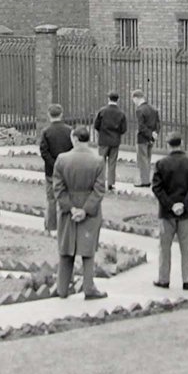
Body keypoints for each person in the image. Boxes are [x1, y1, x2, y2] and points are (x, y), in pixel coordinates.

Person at [51, 126, 108, 300]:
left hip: (68, 209)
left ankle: (62, 288)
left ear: (74, 138)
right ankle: (89, 288)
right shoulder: (98, 160)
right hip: (89, 211)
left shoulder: (62, 159)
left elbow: (58, 188)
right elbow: (99, 190)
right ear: (88, 139)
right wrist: (85, 210)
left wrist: (70, 208)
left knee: (66, 248)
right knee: (88, 249)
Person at [151, 134, 188, 290]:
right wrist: (184, 205)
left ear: (168, 145)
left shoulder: (161, 164)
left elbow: (157, 188)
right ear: (182, 143)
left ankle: (163, 279)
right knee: (186, 248)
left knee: (164, 247)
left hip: (166, 213)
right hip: (186, 213)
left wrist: (170, 205)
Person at [38, 104, 74, 232]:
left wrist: (53, 163)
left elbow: (44, 151)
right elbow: (73, 149)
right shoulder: (69, 131)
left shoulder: (46, 132)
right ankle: (66, 225)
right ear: (61, 114)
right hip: (66, 170)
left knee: (51, 198)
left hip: (51, 170)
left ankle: (51, 225)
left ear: (49, 115)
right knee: (66, 197)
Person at [92, 92, 127, 191]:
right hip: (115, 141)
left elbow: (96, 125)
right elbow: (124, 129)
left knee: (101, 162)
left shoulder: (102, 111)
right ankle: (111, 183)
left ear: (108, 99)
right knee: (112, 163)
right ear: (118, 100)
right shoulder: (121, 113)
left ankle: (100, 181)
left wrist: (102, 132)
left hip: (103, 140)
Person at [131, 89, 161, 188]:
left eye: (133, 100)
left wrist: (149, 134)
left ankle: (144, 181)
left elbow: (141, 127)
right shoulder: (153, 109)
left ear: (136, 98)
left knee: (142, 160)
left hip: (142, 138)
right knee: (148, 159)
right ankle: (147, 179)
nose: (134, 102)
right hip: (151, 139)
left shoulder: (139, 110)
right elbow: (158, 124)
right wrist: (155, 134)